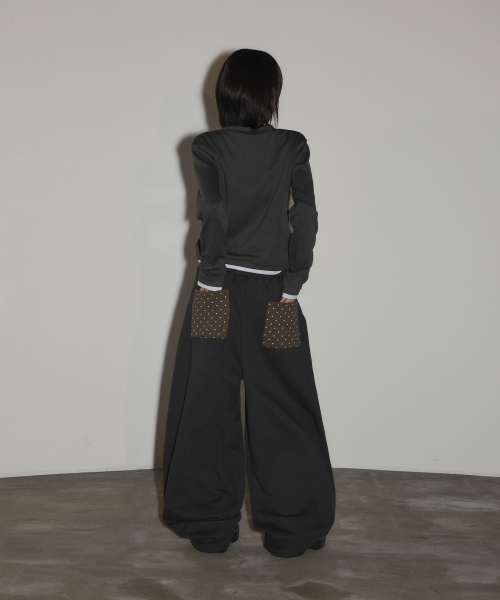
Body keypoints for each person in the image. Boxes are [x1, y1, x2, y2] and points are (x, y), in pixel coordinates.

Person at [161, 48, 336, 558]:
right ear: (271, 95)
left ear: (224, 96)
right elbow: (306, 213)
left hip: (215, 292)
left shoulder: (208, 146)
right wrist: (293, 282)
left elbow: (214, 210)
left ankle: (209, 527)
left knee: (206, 402)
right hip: (275, 294)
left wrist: (212, 279)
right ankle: (294, 529)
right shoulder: (292, 145)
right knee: (284, 402)